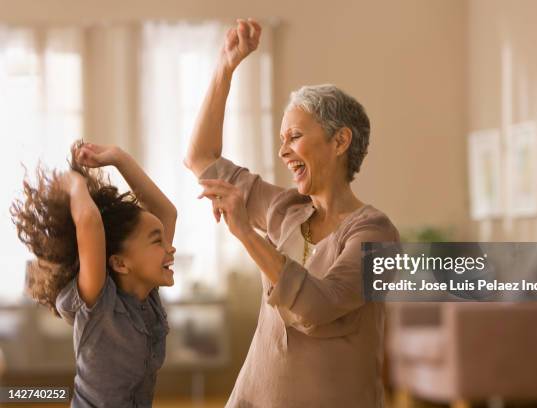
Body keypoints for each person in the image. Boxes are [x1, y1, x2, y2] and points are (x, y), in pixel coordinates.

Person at [184, 18, 399, 407]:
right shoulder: (287, 211)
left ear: (340, 141)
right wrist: (225, 67)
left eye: (295, 137)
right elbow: (201, 158)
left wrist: (248, 235)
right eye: (282, 139)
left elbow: (319, 305)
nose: (283, 152)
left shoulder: (376, 234)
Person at [11, 141, 177, 407]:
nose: (171, 247)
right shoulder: (99, 302)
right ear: (120, 263)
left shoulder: (147, 293)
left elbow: (167, 212)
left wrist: (119, 158)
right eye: (157, 241)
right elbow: (89, 222)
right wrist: (75, 183)